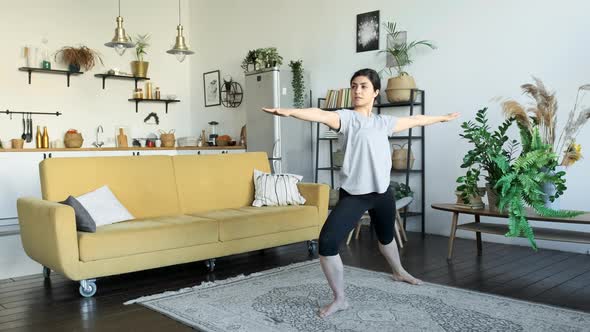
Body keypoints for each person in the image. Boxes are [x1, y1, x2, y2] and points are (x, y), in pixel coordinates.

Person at [262, 68, 460, 318]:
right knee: (327, 242)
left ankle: (398, 271)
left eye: (364, 86)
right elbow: (319, 114)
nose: (357, 90)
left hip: (382, 193)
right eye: (354, 86)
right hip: (355, 195)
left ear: (376, 92)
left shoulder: (383, 122)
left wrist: (441, 118)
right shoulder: (346, 118)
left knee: (387, 238)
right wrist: (289, 112)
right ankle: (340, 298)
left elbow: (415, 120)